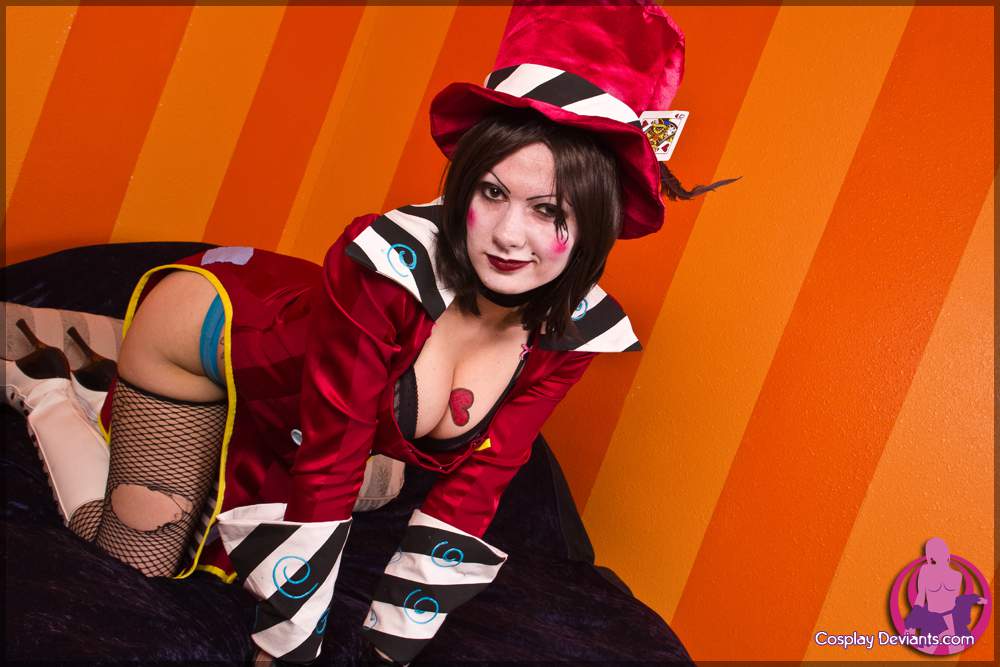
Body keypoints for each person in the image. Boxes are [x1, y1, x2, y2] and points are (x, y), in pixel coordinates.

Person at [20, 1, 734, 664]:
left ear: (594, 226)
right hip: (208, 341)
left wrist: (389, 650)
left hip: (320, 390)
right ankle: (49, 393)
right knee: (143, 556)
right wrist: (287, 647)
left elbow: (475, 488)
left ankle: (105, 398)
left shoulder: (570, 332)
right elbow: (328, 459)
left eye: (549, 211)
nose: (509, 237)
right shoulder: (388, 268)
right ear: (464, 184)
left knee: (368, 484)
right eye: (492, 193)